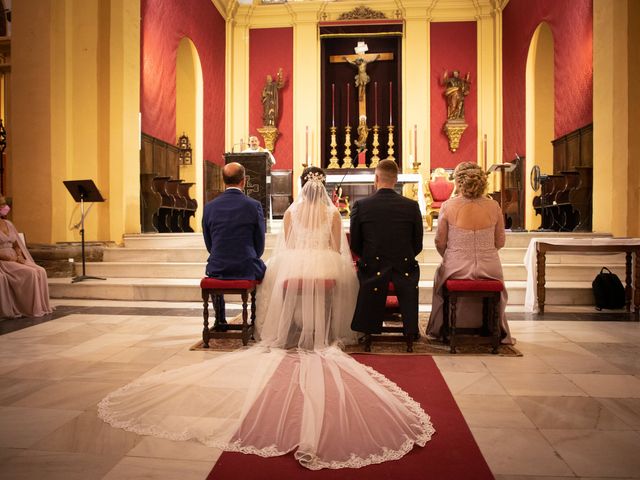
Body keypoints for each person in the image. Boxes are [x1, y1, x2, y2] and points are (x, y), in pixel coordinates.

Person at [97, 166, 434, 470]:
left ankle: (292, 327)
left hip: (294, 263)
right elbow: (335, 248)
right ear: (324, 187)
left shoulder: (290, 212)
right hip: (324, 262)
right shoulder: (332, 214)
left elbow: (285, 247)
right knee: (339, 278)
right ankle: (327, 327)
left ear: (301, 187)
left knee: (280, 278)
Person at [426, 162, 514, 344]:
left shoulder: (448, 206)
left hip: (456, 268)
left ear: (458, 183)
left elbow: (439, 242)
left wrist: (453, 255)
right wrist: (484, 252)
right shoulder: (494, 206)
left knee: (439, 278)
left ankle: (445, 328)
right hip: (490, 268)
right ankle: (490, 328)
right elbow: (500, 242)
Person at [350, 160, 423, 340]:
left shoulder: (362, 206)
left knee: (365, 270)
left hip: (372, 268)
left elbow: (356, 244)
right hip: (404, 269)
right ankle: (410, 330)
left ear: (376, 178)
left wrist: (371, 257)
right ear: (396, 179)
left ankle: (368, 328)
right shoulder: (411, 206)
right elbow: (417, 244)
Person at [202, 162, 266, 323]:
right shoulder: (253, 205)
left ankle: (220, 319)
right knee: (265, 272)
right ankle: (255, 319)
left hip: (218, 266)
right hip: (247, 265)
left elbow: (209, 242)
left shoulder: (209, 207)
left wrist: (220, 254)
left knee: (214, 270)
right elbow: (260, 242)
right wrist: (251, 256)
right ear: (244, 181)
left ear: (224, 181)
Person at [0, 195, 53, 318]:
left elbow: (16, 244)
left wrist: (18, 255)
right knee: (31, 273)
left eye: (4, 204)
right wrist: (8, 258)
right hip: (4, 262)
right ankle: (29, 308)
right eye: (2, 205)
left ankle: (41, 306)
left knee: (41, 271)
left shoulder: (8, 223)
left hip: (15, 258)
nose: (5, 207)